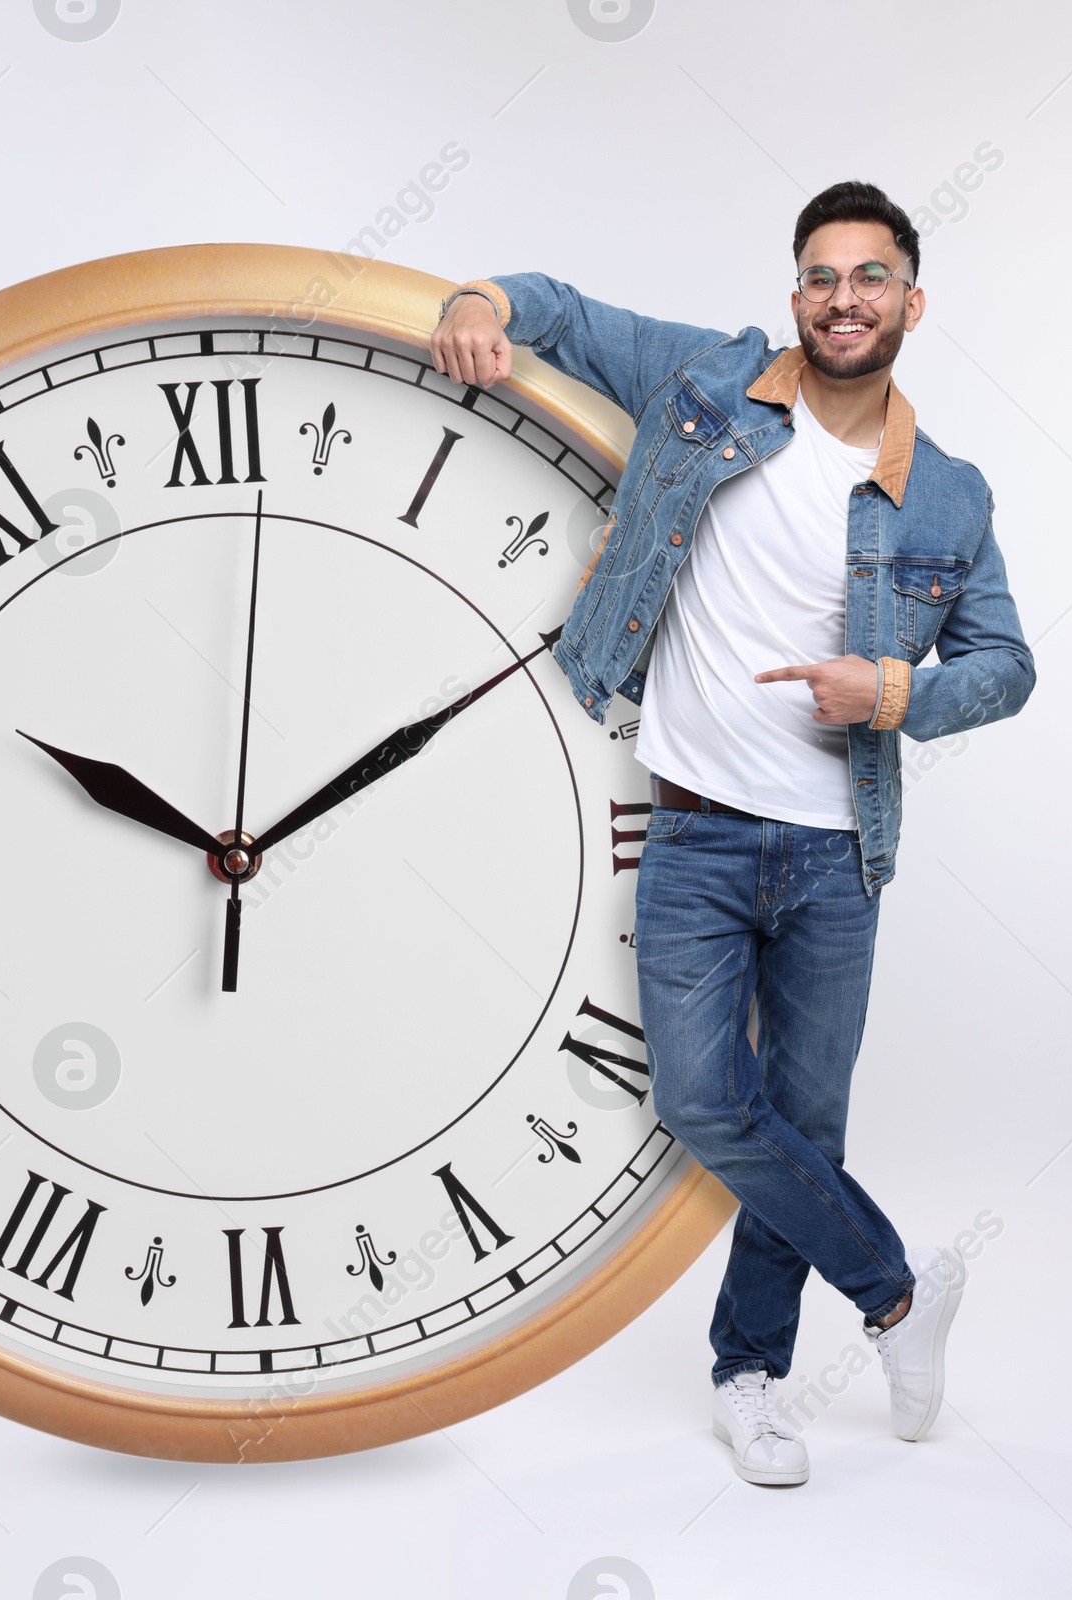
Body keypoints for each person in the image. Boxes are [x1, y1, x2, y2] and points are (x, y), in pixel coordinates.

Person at [430, 180, 1034, 1487]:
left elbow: (1007, 666)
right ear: (796, 296)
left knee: (806, 1128)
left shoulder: (947, 496)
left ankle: (750, 1374)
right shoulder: (706, 383)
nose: (843, 298)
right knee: (706, 1100)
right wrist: (480, 301)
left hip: (837, 854)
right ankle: (896, 1293)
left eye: (870, 277)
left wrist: (896, 694)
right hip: (697, 835)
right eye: (821, 276)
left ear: (910, 304)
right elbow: (565, 315)